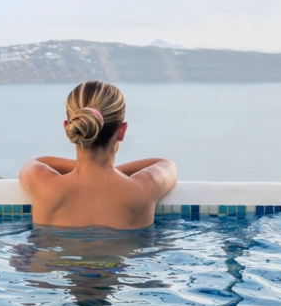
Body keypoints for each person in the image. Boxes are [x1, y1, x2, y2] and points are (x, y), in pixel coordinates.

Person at [19, 80, 177, 229]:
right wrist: (109, 171)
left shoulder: (42, 182)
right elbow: (166, 165)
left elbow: (35, 162)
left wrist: (88, 168)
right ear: (122, 131)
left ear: (69, 129)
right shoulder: (143, 189)